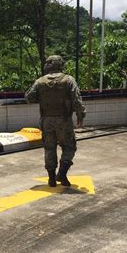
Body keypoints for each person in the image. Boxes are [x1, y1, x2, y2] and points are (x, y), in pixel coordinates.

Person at [25, 55, 86, 188]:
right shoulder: (68, 80)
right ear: (60, 65)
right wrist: (80, 115)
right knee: (69, 147)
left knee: (49, 148)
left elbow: (29, 98)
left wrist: (42, 98)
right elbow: (76, 100)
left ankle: (52, 179)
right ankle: (62, 174)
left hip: (46, 120)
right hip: (64, 120)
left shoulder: (40, 81)